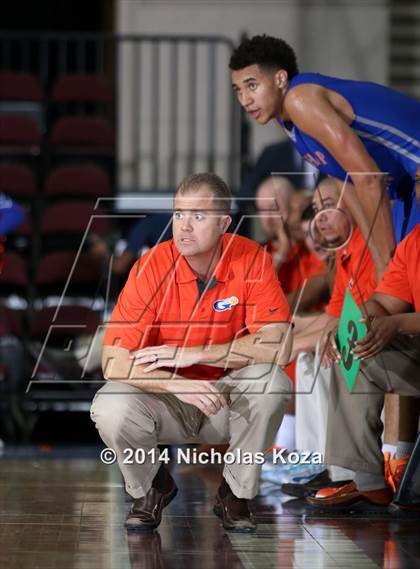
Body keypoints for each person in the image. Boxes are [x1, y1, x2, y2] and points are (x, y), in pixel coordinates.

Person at [91, 173, 293, 532]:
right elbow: (112, 360)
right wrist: (174, 383)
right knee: (109, 404)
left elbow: (280, 343)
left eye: (198, 216)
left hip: (225, 400)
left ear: (224, 223)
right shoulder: (151, 266)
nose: (184, 226)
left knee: (271, 382)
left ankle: (235, 492)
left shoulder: (251, 259)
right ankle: (152, 486)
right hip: (166, 402)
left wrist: (196, 354)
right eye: (179, 214)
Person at [230, 35, 420, 280]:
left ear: (280, 78)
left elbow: (369, 178)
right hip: (405, 182)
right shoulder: (285, 118)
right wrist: (378, 263)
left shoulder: (300, 99)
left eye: (252, 85)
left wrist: (385, 270)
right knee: (388, 284)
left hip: (414, 172)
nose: (245, 100)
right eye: (238, 90)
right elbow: (345, 181)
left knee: (400, 283)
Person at [307, 223, 420, 507]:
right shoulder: (413, 240)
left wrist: (396, 324)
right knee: (351, 344)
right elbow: (383, 301)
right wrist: (355, 322)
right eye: (418, 180)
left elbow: (395, 318)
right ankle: (367, 482)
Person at [256, 176, 326, 313]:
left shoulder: (316, 248)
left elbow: (311, 292)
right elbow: (252, 298)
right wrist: (282, 253)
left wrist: (269, 311)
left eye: (273, 208)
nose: (267, 218)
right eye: (262, 210)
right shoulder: (259, 252)